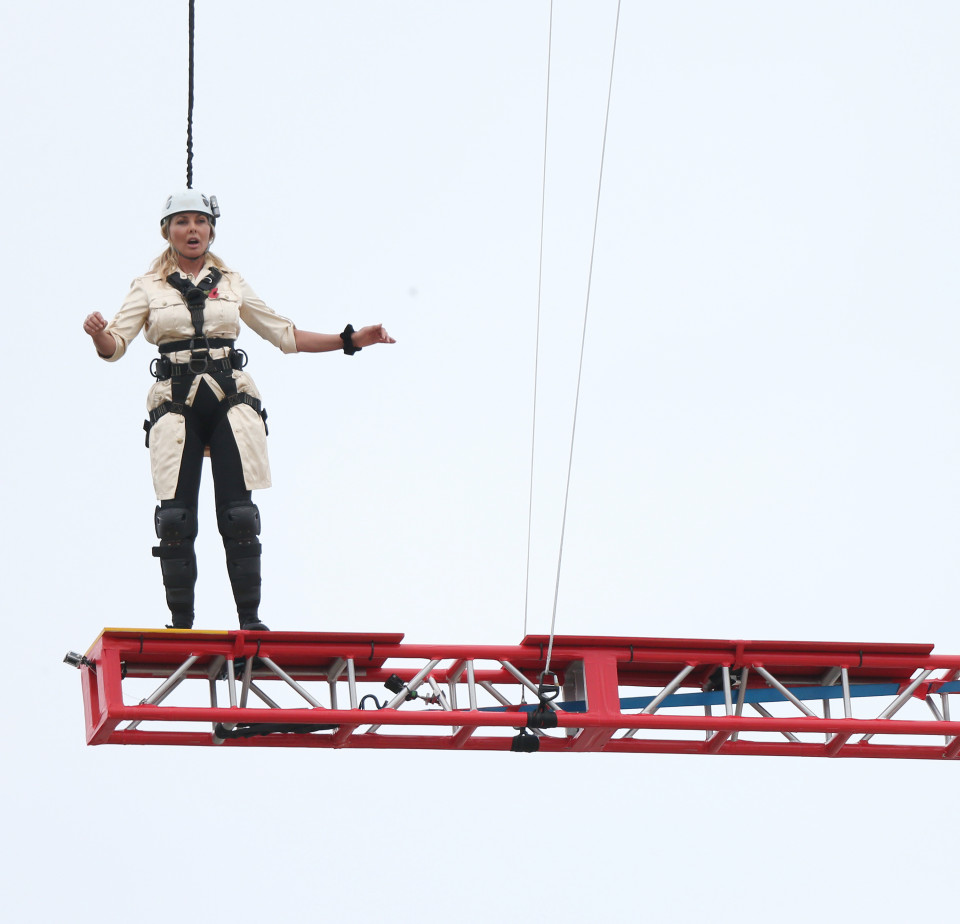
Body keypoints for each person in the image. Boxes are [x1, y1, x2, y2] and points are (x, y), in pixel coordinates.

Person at [83, 190, 395, 631]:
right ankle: (180, 623)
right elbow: (115, 345)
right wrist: (98, 335)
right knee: (175, 517)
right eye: (182, 222)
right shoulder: (148, 287)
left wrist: (349, 340)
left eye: (200, 221)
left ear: (211, 229)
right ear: (167, 231)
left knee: (239, 513)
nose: (192, 229)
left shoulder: (230, 282)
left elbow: (282, 333)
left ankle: (250, 619)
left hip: (230, 395)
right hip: (176, 399)